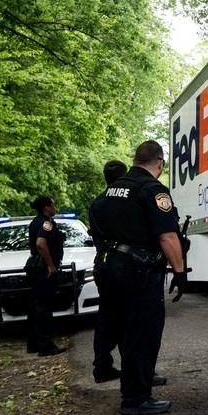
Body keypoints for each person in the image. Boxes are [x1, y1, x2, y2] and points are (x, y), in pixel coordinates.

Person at [90, 141, 186, 415]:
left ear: (134, 159)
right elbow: (167, 236)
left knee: (119, 327)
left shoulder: (105, 194)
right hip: (138, 271)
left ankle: (133, 383)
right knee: (142, 332)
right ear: (160, 162)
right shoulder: (152, 190)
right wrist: (179, 273)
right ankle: (135, 398)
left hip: (108, 268)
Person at [89, 160, 127, 383]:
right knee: (130, 318)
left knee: (106, 317)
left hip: (103, 263)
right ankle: (136, 370)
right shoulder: (126, 201)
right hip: (122, 263)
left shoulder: (98, 202)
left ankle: (102, 367)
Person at [25, 196, 67, 357]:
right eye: (53, 204)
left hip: (35, 268)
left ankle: (33, 343)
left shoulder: (34, 221)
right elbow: (40, 244)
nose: (55, 207)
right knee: (44, 308)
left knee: (35, 307)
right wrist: (50, 265)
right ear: (46, 207)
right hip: (43, 269)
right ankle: (45, 345)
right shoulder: (47, 223)